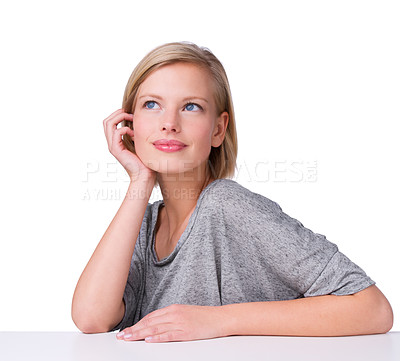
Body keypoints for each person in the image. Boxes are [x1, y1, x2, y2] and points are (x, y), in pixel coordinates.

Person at [71, 41, 393, 343]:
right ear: (131, 124)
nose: (169, 123)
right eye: (152, 104)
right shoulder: (145, 222)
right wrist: (140, 181)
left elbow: (372, 308)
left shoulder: (227, 205)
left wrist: (219, 320)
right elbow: (91, 318)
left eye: (191, 106)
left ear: (218, 129)